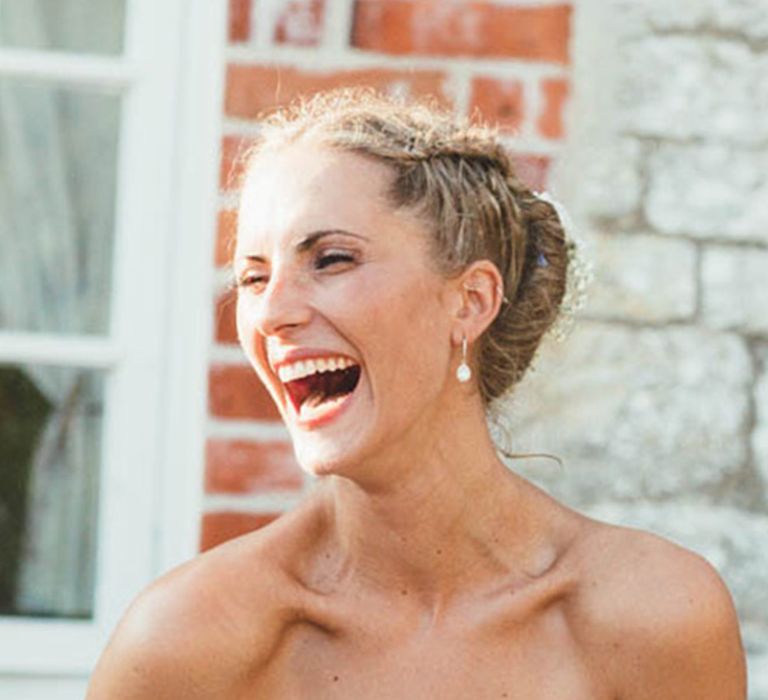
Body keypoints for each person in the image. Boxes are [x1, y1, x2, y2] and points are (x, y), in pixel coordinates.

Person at [86, 89, 747, 699]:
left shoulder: (655, 619)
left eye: (331, 259)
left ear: (471, 300)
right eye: (254, 277)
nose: (272, 312)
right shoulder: (183, 645)